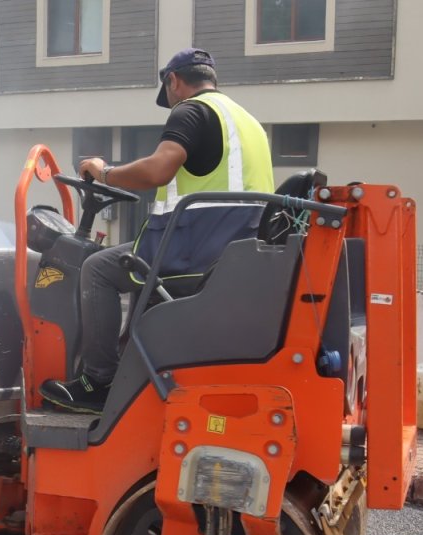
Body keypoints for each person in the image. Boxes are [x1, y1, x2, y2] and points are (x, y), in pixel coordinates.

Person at [40, 48, 275, 414]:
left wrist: (104, 172)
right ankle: (132, 378)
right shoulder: (250, 124)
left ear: (174, 81)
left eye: (167, 93)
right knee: (134, 268)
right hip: (235, 255)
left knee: (98, 270)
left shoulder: (192, 110)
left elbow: (157, 171)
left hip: (193, 252)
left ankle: (98, 381)